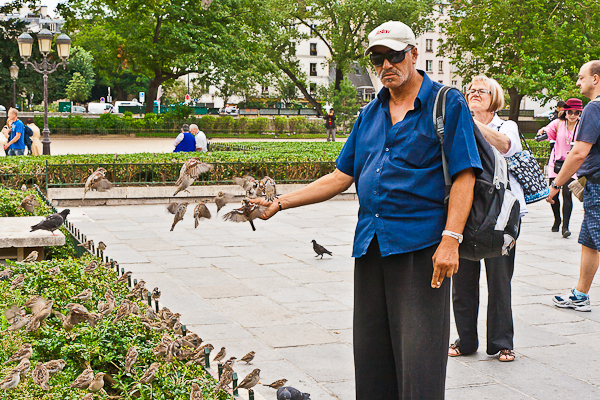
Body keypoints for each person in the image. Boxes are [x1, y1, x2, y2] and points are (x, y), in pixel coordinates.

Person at [251, 20, 481, 399]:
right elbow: (341, 176)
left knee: (419, 361)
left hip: (421, 248)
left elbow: (464, 176)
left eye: (393, 56)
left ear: (413, 54)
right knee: (372, 359)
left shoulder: (445, 103)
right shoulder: (369, 114)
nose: (385, 65)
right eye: (377, 58)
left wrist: (451, 240)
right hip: (371, 246)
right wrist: (279, 203)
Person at [448, 76, 526, 363]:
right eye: (470, 91)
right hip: (466, 209)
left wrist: (470, 123)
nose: (474, 94)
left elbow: (505, 146)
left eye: (482, 91)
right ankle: (465, 340)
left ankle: (502, 342)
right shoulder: (458, 124)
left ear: (495, 97)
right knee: (463, 281)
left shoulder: (508, 126)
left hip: (499, 213)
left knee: (500, 279)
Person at [550, 61, 600, 312]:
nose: (578, 82)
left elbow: (579, 152)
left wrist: (557, 184)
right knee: (590, 242)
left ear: (596, 79)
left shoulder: (594, 108)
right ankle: (580, 295)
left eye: (581, 78)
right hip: (594, 186)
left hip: (599, 187)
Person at [537, 98, 582, 237]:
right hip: (555, 163)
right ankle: (557, 219)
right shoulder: (558, 123)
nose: (573, 115)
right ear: (565, 112)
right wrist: (542, 131)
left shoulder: (582, 126)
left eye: (576, 112)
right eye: (570, 112)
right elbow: (547, 131)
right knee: (553, 194)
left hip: (571, 165)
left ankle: (565, 227)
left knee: (567, 194)